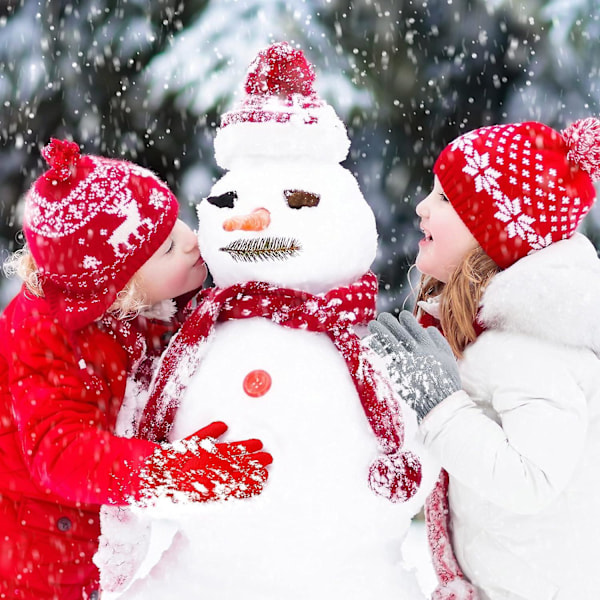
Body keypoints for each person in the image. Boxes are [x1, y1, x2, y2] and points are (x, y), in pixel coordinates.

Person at [0, 138, 273, 600]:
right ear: (115, 291)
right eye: (167, 249)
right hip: (35, 552)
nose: (191, 241)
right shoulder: (44, 337)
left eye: (178, 223)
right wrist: (170, 473)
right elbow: (61, 453)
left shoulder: (136, 304)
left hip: (81, 535)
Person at [369, 118, 600, 600]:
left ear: (493, 232)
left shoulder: (535, 346)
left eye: (446, 199)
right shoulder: (493, 331)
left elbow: (533, 478)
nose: (421, 207)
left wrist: (439, 405)